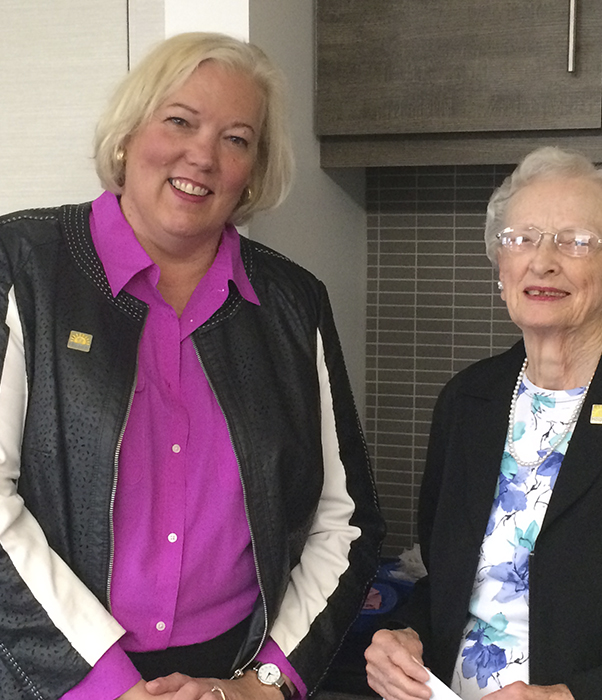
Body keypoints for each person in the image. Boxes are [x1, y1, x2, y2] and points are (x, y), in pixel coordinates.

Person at [0, 32, 383, 700]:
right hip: (53, 680)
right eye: (180, 121)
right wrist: (104, 683)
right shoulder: (24, 264)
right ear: (127, 135)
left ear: (253, 173)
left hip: (229, 681)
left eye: (236, 139)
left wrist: (263, 683)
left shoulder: (293, 303)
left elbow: (343, 520)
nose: (202, 155)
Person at [364, 146, 602, 700]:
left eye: (576, 241)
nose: (542, 261)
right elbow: (448, 588)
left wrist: (572, 697)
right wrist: (405, 637)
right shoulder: (468, 401)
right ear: (501, 264)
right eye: (522, 238)